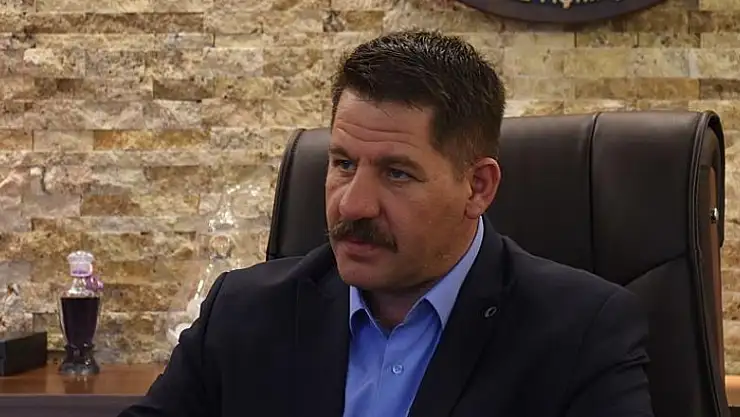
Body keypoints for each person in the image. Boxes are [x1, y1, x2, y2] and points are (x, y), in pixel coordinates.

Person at [118, 30, 653, 417]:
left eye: (397, 173)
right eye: (343, 164)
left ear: (477, 187)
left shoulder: (583, 332)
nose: (353, 206)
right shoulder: (242, 312)